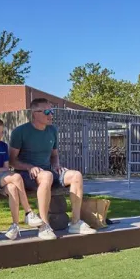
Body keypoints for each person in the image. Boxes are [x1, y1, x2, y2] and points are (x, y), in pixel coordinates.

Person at [9, 98, 94, 239]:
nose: (51, 115)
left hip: (47, 172)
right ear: (34, 113)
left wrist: (56, 165)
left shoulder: (52, 130)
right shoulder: (20, 132)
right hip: (27, 175)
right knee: (46, 176)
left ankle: (75, 223)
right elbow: (12, 161)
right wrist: (30, 167)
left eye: (52, 111)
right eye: (47, 111)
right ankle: (44, 226)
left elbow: (54, 155)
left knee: (76, 175)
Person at [0, 115, 45, 240]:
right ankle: (28, 212)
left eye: (2, 132)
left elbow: (6, 168)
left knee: (12, 188)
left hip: (2, 180)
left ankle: (15, 226)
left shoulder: (3, 146)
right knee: (16, 177)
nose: (0, 135)